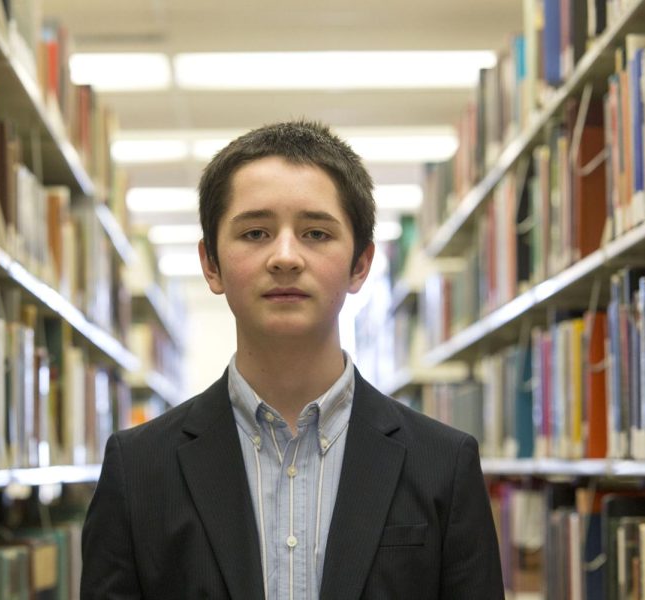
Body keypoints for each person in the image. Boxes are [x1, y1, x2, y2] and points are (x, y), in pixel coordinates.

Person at [81, 120, 504, 599]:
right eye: (256, 232)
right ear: (211, 264)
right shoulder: (138, 470)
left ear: (360, 264)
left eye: (316, 233)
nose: (285, 257)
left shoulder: (444, 465)